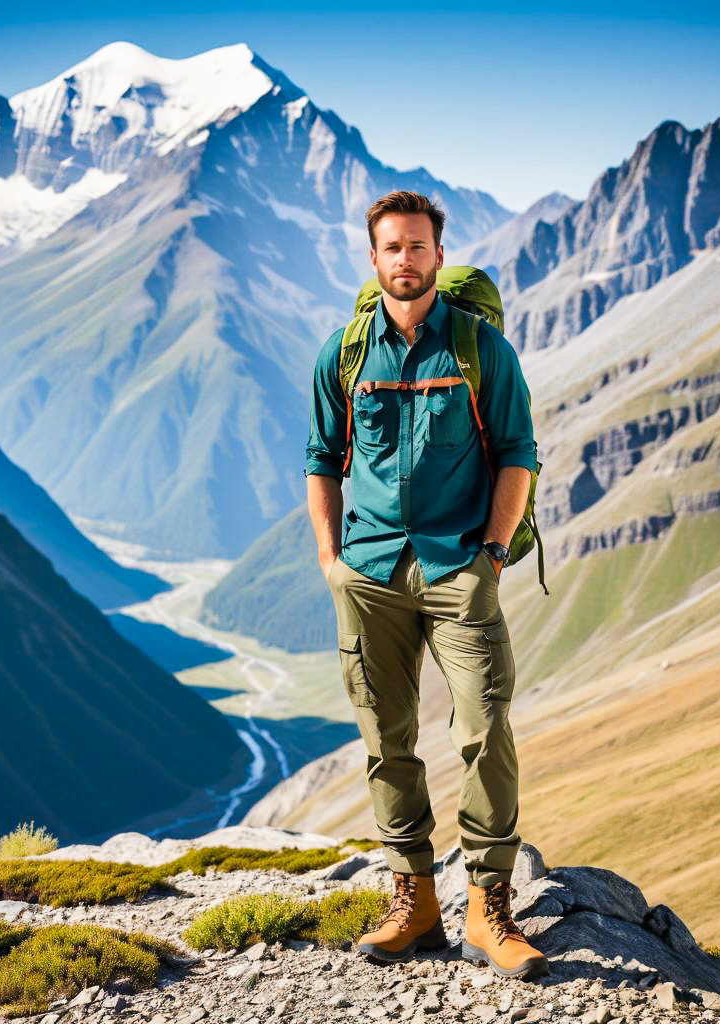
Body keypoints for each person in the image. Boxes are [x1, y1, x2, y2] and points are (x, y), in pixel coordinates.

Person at [304, 190, 548, 979]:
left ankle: (487, 906)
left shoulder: (481, 351)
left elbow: (519, 452)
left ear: (438, 256)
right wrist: (330, 561)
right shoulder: (342, 355)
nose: (404, 260)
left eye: (417, 247)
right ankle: (415, 900)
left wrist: (493, 553)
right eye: (391, 249)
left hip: (458, 567)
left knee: (483, 728)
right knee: (386, 739)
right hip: (368, 573)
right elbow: (320, 459)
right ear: (372, 262)